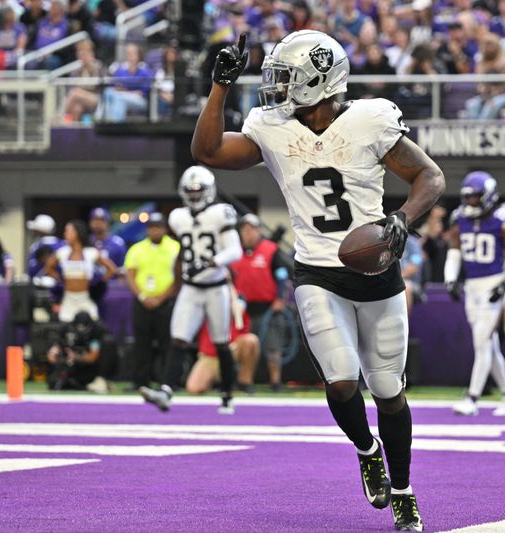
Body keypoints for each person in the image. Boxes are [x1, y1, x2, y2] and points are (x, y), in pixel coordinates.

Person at [190, 31, 444, 531]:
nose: (278, 86)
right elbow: (209, 152)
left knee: (388, 390)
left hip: (376, 272)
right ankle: (366, 449)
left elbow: (430, 177)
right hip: (317, 273)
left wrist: (402, 218)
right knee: (342, 380)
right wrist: (220, 86)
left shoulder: (369, 120)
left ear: (320, 80)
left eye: (288, 77)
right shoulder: (272, 127)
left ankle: (403, 489)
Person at [140, 166, 243, 415]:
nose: (195, 195)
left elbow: (235, 250)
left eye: (199, 191)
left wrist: (212, 262)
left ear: (209, 191)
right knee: (178, 339)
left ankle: (227, 395)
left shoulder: (221, 213)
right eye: (190, 191)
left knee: (221, 343)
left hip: (216, 287)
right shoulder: (178, 216)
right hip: (191, 287)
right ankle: (166, 391)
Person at [444, 172, 505, 417]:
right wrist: (450, 278)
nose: (471, 202)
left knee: (482, 341)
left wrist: (504, 284)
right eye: (468, 197)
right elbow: (455, 251)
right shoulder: (460, 217)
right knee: (489, 344)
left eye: (476, 197)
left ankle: (472, 398)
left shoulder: (502, 219)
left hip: (493, 284)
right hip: (472, 287)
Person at [231, 213, 290, 391]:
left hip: (269, 306)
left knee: (273, 345)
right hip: (242, 308)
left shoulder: (270, 249)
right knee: (246, 345)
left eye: (252, 229)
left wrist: (280, 298)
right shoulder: (233, 252)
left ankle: (275, 381)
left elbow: (282, 276)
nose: (248, 233)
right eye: (245, 230)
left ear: (258, 230)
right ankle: (245, 380)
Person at [124, 212, 180, 390]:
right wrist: (143, 296)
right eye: (152, 227)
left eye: (158, 227)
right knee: (142, 343)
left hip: (166, 301)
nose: (155, 231)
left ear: (165, 229)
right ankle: (140, 382)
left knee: (167, 343)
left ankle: (168, 382)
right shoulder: (137, 249)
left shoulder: (175, 248)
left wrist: (162, 298)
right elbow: (130, 275)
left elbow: (179, 277)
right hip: (142, 302)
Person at [186, 297, 261, 394]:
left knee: (251, 340)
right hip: (211, 355)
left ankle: (244, 382)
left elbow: (240, 307)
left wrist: (235, 308)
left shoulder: (238, 306)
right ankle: (216, 381)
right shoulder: (206, 303)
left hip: (232, 349)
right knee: (193, 388)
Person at [55, 219, 117, 322]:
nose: (65, 234)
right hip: (68, 298)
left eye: (68, 231)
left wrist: (98, 282)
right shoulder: (62, 252)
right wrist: (60, 280)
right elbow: (48, 268)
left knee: (91, 323)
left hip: (85, 297)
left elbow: (112, 269)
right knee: (65, 323)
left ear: (77, 233)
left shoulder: (91, 252)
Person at [46, 311, 115, 392]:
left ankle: (101, 379)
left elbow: (92, 357)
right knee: (54, 382)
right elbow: (52, 356)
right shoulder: (66, 330)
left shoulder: (96, 331)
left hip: (91, 367)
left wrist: (76, 357)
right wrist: (62, 359)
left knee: (108, 341)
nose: (81, 330)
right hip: (72, 366)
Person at [87, 207, 126, 305]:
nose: (98, 223)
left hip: (110, 290)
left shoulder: (117, 244)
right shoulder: (85, 242)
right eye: (95, 220)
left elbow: (122, 274)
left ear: (108, 222)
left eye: (101, 220)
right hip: (88, 289)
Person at [26, 213, 63, 278]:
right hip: (59, 282)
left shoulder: (36, 246)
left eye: (36, 230)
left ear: (41, 230)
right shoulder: (63, 244)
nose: (34, 232)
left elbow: (31, 270)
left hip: (39, 282)